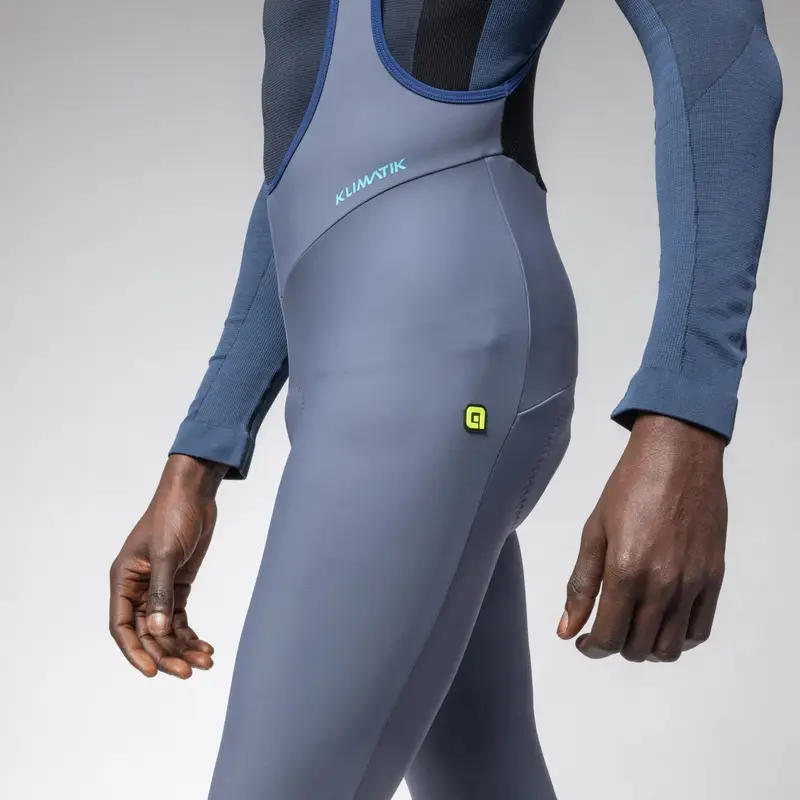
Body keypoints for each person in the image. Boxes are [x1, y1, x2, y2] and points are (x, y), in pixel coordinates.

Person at [108, 0, 783, 797]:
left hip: (439, 350)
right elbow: (313, 166)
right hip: (377, 375)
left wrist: (685, 413)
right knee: (482, 776)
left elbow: (718, 50)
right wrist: (197, 457)